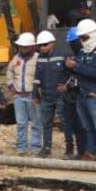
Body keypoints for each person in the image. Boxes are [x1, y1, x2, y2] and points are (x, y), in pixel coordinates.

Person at [66, 18, 96, 161]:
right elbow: (79, 70)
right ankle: (90, 152)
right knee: (89, 127)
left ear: (93, 35)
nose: (82, 41)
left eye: (85, 37)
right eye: (81, 38)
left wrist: (75, 66)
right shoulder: (83, 53)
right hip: (83, 94)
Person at [6, 32, 42, 155]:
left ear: (32, 46)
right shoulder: (16, 59)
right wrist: (11, 85)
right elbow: (10, 72)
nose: (22, 49)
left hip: (33, 96)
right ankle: (21, 147)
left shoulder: (38, 58)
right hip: (19, 96)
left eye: (24, 47)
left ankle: (36, 147)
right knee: (21, 123)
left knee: (36, 123)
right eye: (20, 47)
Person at [33, 30, 67, 158]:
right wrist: (35, 94)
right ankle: (46, 148)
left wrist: (66, 86)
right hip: (46, 96)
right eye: (40, 45)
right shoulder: (40, 58)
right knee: (46, 123)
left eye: (45, 44)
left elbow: (69, 74)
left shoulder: (62, 55)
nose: (42, 47)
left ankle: (69, 148)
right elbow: (37, 77)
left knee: (66, 122)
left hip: (60, 97)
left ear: (52, 43)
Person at [60, 26, 87, 158]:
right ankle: (80, 151)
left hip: (82, 94)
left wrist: (74, 66)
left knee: (83, 124)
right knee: (73, 123)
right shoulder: (70, 56)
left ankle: (87, 151)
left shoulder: (86, 55)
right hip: (71, 94)